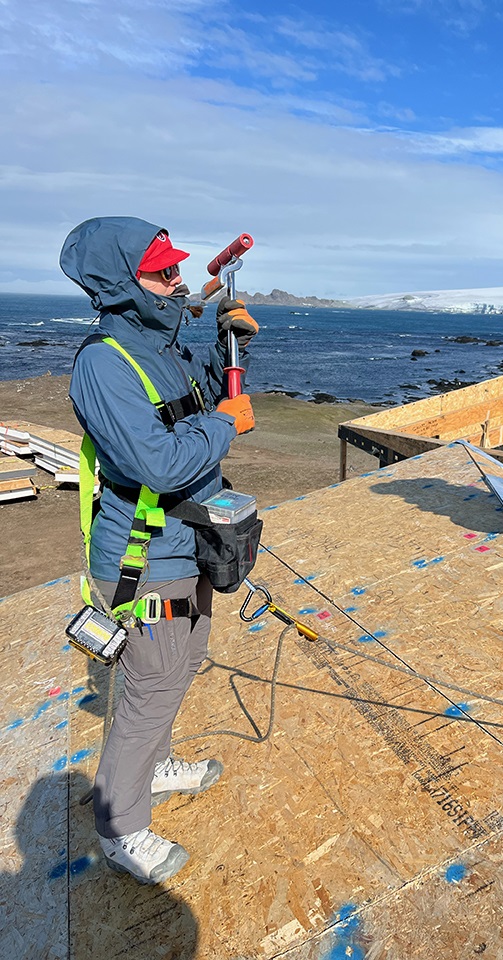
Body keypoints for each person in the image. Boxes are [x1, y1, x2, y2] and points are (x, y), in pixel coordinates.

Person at [60, 217, 258, 883]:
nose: (178, 282)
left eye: (179, 271)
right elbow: (163, 463)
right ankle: (121, 830)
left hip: (190, 539)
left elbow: (209, 395)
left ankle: (159, 766)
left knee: (182, 661)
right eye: (164, 273)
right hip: (145, 560)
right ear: (123, 284)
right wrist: (225, 425)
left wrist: (230, 343)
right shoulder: (103, 364)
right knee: (149, 689)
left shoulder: (163, 344)